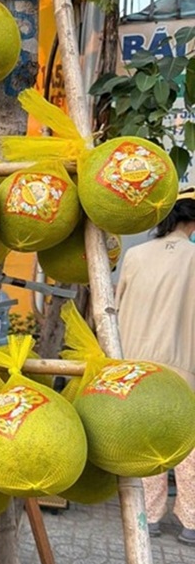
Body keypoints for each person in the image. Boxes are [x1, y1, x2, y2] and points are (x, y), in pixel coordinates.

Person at [116, 185, 195, 543]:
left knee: (145, 440)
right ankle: (191, 521)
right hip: (183, 364)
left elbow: (116, 307)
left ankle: (149, 515)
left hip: (135, 365)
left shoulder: (136, 255)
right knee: (187, 443)